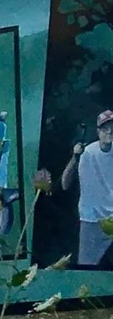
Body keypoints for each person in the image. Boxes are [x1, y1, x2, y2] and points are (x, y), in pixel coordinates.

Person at [62, 108, 113, 267]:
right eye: (105, 128)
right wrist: (75, 156)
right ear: (98, 131)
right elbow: (65, 184)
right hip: (92, 221)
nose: (110, 131)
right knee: (87, 268)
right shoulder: (87, 153)